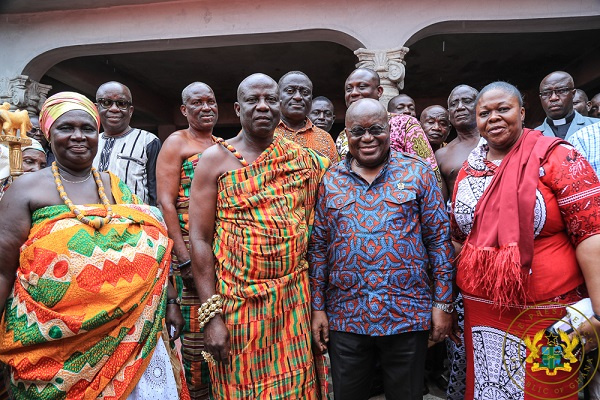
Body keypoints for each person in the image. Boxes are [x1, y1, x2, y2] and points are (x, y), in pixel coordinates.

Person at [0, 92, 189, 399]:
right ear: (49, 134)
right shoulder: (24, 191)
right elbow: (3, 270)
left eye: (87, 128)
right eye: (66, 128)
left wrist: (170, 303)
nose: (78, 136)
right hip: (52, 347)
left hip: (131, 335)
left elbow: (156, 249)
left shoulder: (115, 187)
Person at [451, 82, 600, 400]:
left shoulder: (558, 156)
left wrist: (598, 313)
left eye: (503, 109)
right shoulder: (470, 168)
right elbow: (460, 236)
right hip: (482, 313)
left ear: (522, 111)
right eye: (484, 113)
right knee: (489, 389)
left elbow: (590, 232)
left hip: (549, 315)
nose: (493, 117)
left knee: (548, 387)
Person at [188, 73, 328, 399]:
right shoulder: (213, 161)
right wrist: (211, 317)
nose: (263, 106)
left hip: (293, 303)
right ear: (238, 108)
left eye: (271, 99)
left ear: (280, 107)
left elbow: (322, 232)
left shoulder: (306, 161)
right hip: (236, 306)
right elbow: (199, 239)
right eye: (253, 100)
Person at [309, 98, 455, 400]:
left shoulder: (417, 174)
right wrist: (318, 308)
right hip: (346, 316)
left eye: (376, 129)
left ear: (389, 130)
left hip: (407, 316)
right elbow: (319, 248)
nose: (367, 138)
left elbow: (439, 242)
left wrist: (442, 305)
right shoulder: (331, 179)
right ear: (346, 135)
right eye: (357, 131)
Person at [156, 82, 219, 400]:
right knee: (197, 338)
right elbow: (166, 203)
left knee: (223, 334)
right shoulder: (176, 142)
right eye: (197, 102)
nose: (206, 107)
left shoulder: (224, 145)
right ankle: (196, 392)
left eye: (211, 101)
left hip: (221, 256)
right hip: (190, 256)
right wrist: (183, 259)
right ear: (184, 110)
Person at [335, 69, 440, 184]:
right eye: (349, 89)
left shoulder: (405, 124)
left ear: (379, 91)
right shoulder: (342, 137)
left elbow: (430, 171)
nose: (353, 93)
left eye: (362, 87)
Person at [93, 81, 161, 205]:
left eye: (121, 103)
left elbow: (156, 193)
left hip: (134, 220)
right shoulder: (89, 142)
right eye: (106, 103)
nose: (114, 109)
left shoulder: (148, 141)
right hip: (93, 220)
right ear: (97, 108)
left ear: (130, 110)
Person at [274, 71, 337, 162]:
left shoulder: (325, 138)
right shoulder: (264, 132)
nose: (298, 97)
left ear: (311, 99)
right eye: (290, 91)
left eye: (305, 92)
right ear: (277, 95)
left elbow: (333, 174)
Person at [435, 85, 481, 202]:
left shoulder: (496, 143)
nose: (460, 107)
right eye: (454, 104)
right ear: (449, 113)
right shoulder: (442, 155)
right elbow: (441, 204)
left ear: (480, 106)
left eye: (467, 101)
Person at [535, 71, 598, 141]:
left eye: (561, 91)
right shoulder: (533, 136)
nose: (553, 98)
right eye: (546, 93)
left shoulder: (596, 126)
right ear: (540, 98)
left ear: (573, 94)